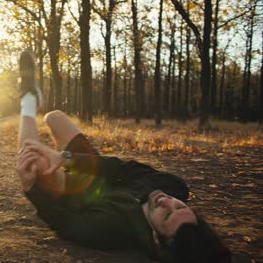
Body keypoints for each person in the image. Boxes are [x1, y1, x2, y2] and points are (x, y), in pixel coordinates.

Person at [16, 50, 231, 263]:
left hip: (74, 190)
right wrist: (67, 158)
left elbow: (65, 224)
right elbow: (123, 168)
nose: (166, 201)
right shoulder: (174, 186)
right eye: (180, 206)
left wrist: (32, 189)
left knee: (33, 162)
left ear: (156, 239)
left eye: (166, 216)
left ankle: (27, 99)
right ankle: (37, 100)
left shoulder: (112, 230)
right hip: (98, 172)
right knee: (55, 117)